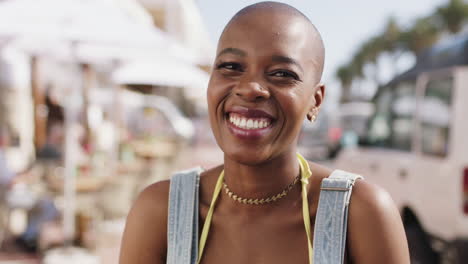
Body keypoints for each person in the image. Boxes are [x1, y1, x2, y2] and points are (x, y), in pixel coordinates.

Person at [119, 2, 410, 264]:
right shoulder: (161, 212)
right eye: (231, 67)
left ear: (315, 100)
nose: (250, 88)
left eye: (282, 73)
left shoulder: (361, 215)